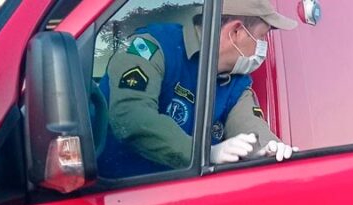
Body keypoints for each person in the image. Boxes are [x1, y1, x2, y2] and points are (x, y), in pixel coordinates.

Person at [97, 0, 300, 179]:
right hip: (118, 197)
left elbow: (249, 125)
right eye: (262, 37)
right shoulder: (155, 47)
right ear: (236, 32)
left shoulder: (237, 82)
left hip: (184, 199)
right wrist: (203, 154)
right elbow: (130, 116)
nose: (263, 47)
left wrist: (268, 149)